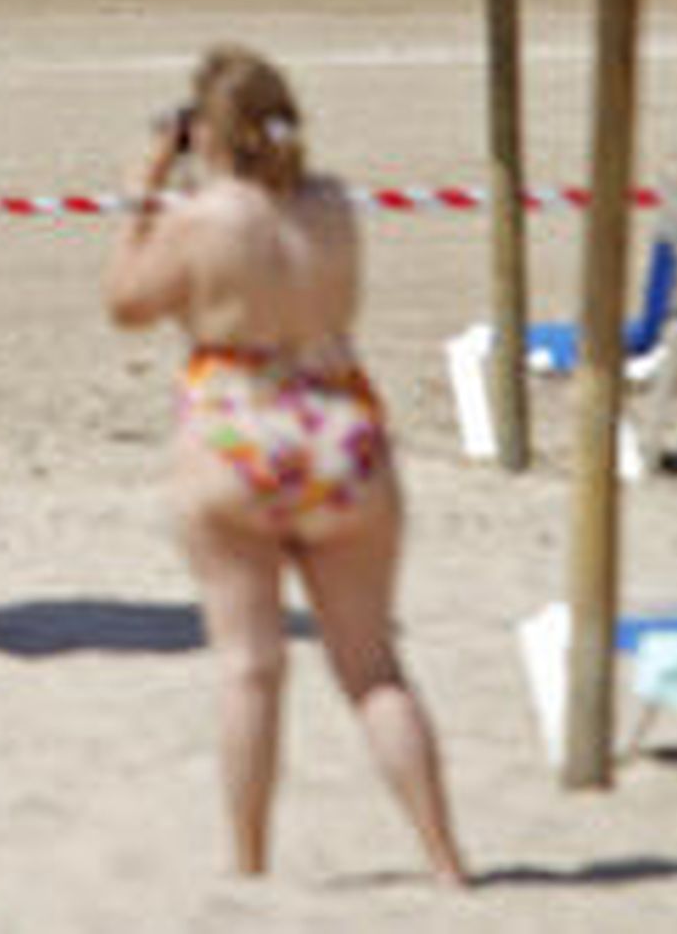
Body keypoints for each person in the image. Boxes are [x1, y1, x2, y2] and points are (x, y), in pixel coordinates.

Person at [104, 43, 467, 886]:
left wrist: (141, 198)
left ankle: (250, 863)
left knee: (249, 667)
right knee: (374, 669)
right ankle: (446, 860)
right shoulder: (332, 205)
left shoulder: (201, 221)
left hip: (239, 428)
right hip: (339, 424)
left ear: (207, 132)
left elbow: (125, 301)